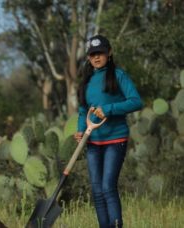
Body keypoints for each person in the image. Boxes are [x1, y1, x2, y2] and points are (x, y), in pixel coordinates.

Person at [74, 34, 142, 228]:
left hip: (115, 139)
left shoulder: (118, 75)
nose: (96, 57)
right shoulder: (86, 81)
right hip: (93, 141)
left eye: (100, 53)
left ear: (109, 53)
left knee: (107, 187)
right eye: (92, 54)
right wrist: (80, 131)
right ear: (88, 57)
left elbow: (136, 101)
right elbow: (82, 110)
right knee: (96, 190)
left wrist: (109, 110)